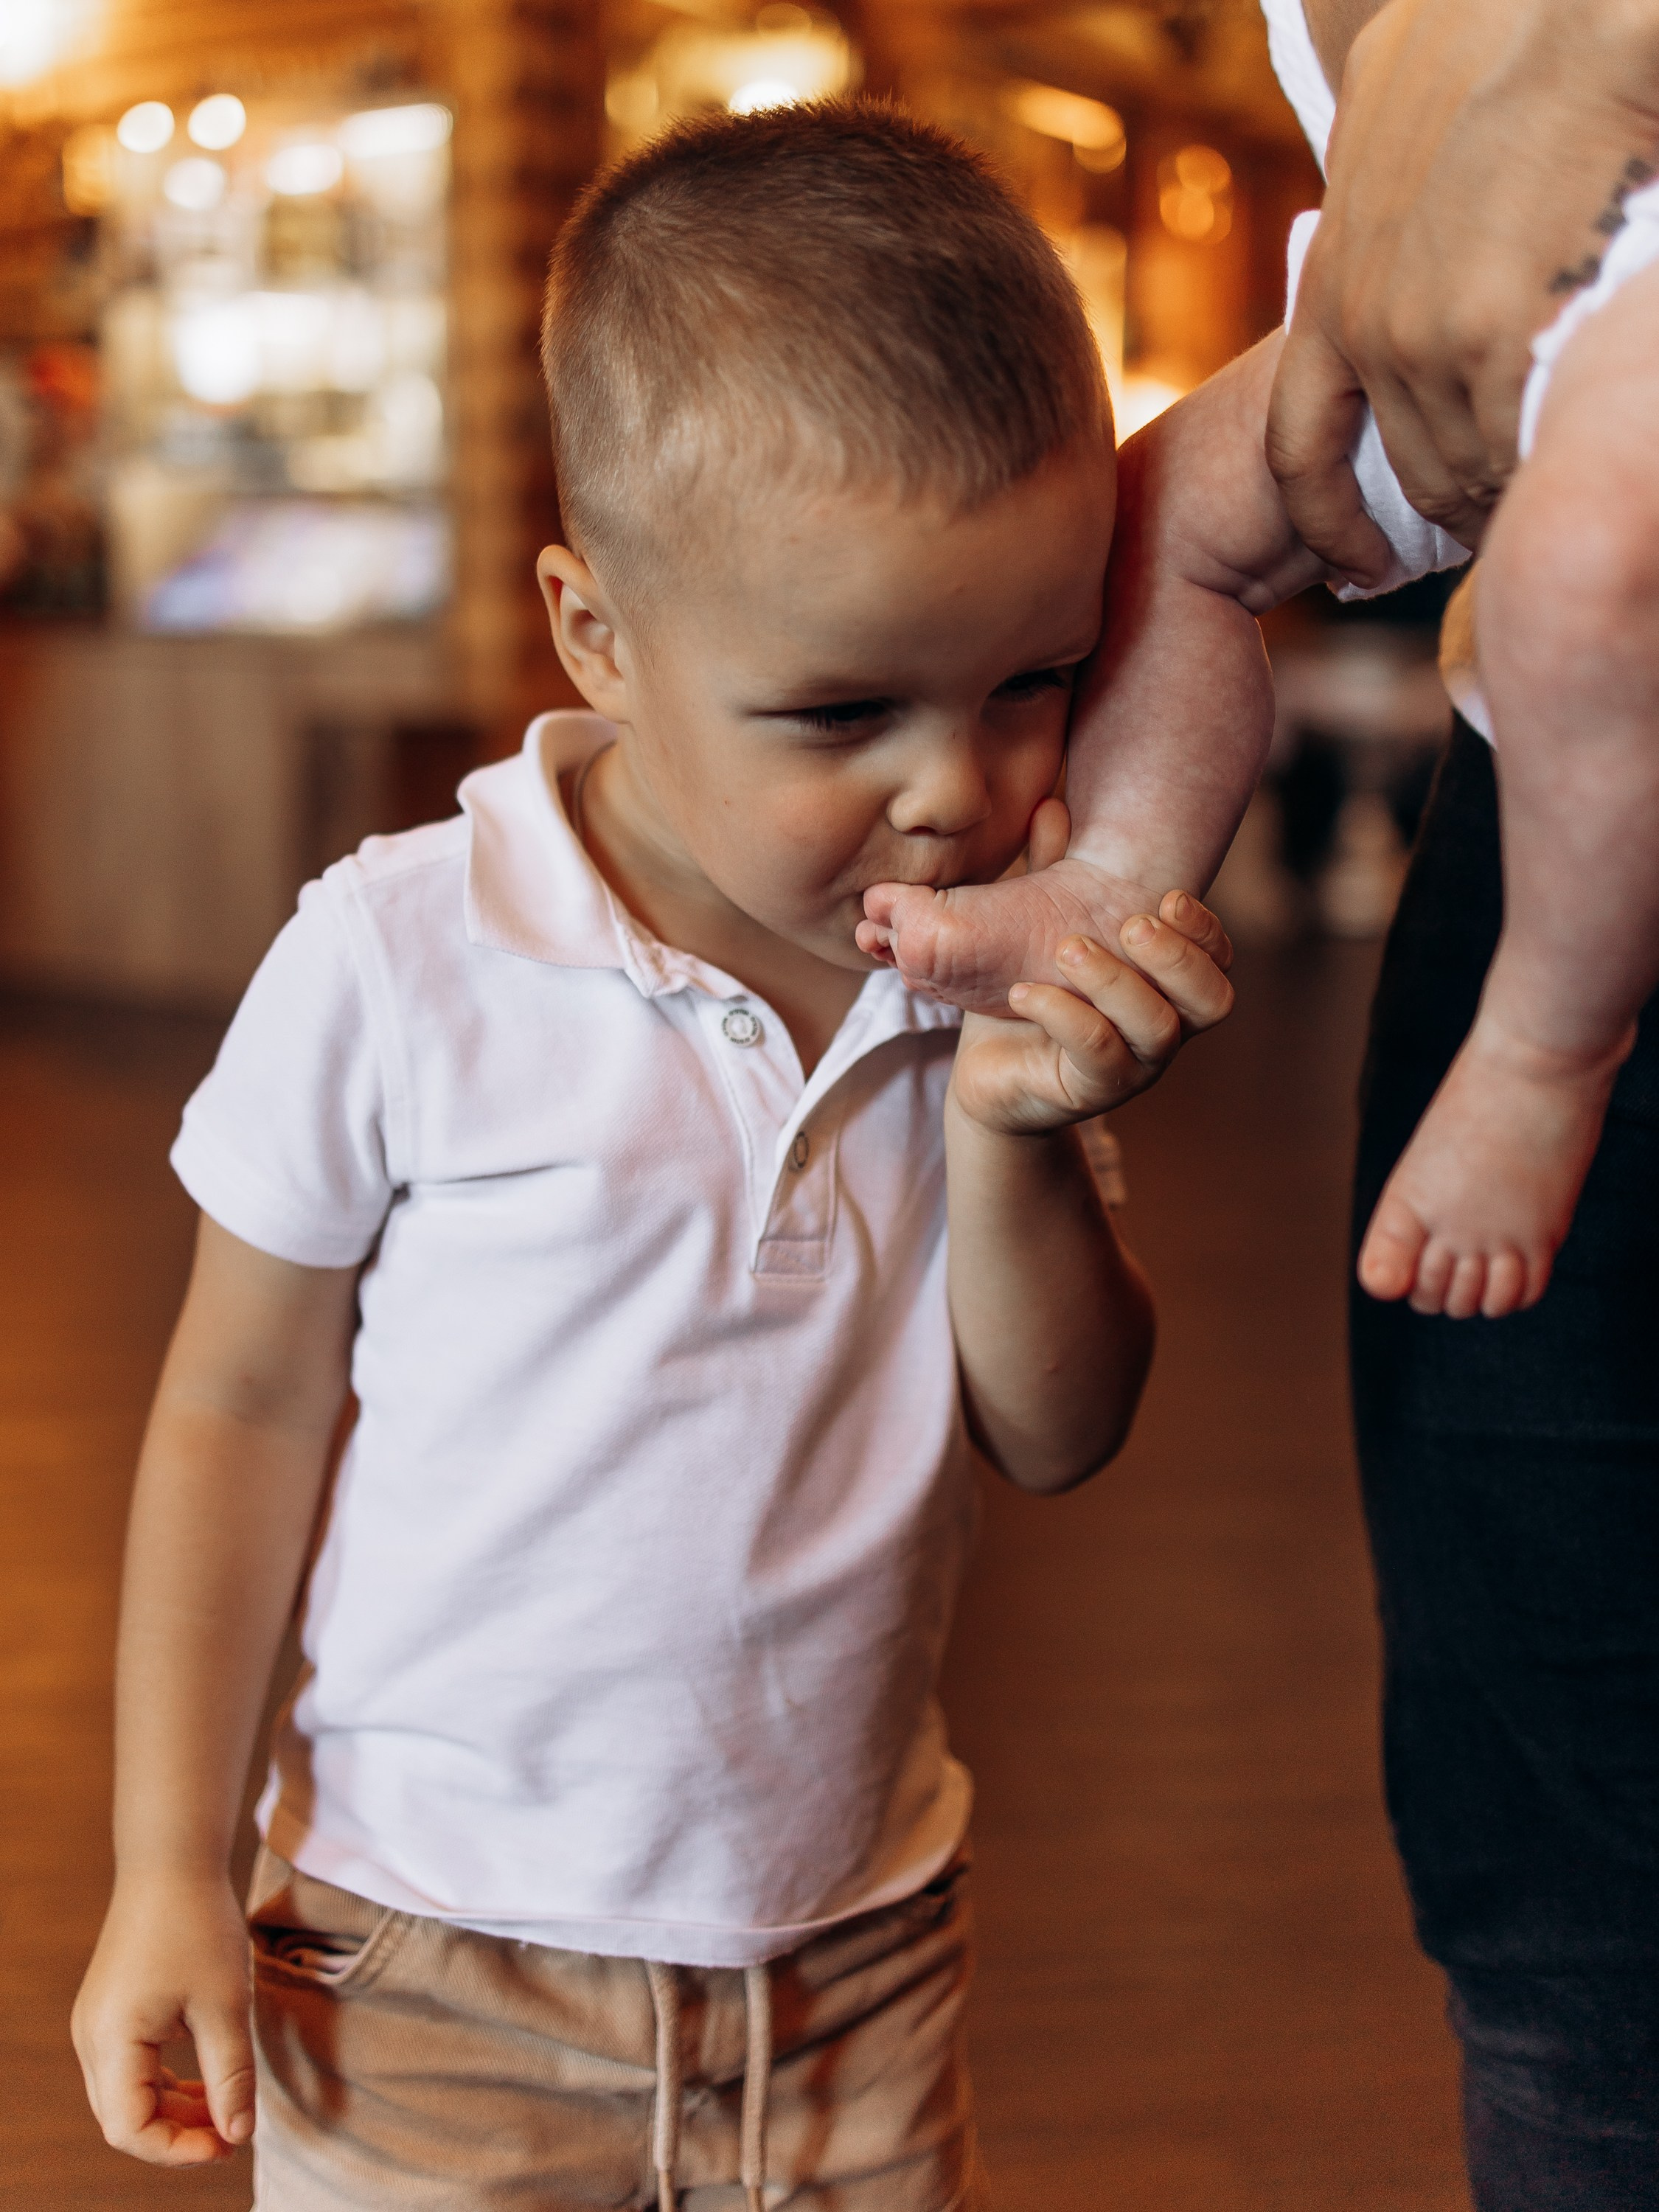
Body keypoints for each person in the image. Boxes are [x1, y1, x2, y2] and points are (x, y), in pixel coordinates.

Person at [69, 102, 1234, 2211]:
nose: (956, 791)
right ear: (596, 634)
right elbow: (235, 1407)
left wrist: (1014, 1135)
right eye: (841, 714)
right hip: (428, 1971)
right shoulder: (401, 956)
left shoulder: (990, 969)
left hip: (857, 1963)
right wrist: (167, 1865)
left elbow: (1060, 1434)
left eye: (1036, 679)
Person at [865, 1, 1659, 2201]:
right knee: (1168, 511)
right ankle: (1114, 874)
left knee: (1593, 571)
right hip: (1478, 321)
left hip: (1597, 341)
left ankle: (1548, 1041)